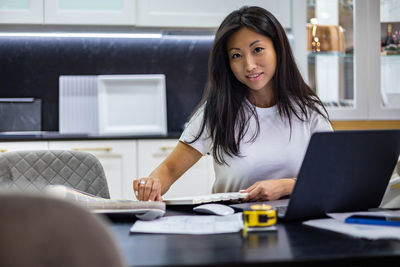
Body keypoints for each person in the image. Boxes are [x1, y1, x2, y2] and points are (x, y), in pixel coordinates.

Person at [133, 6, 333, 202]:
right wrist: (152, 184)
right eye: (236, 55)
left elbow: (333, 176)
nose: (249, 65)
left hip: (296, 223)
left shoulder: (308, 109)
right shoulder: (218, 111)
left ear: (278, 49)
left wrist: (286, 186)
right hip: (232, 224)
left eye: (258, 50)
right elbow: (169, 169)